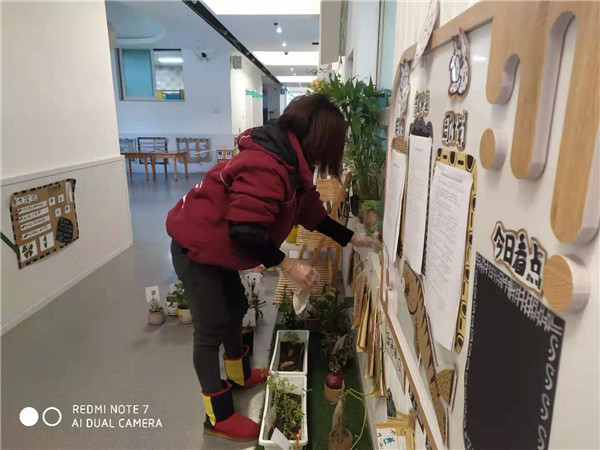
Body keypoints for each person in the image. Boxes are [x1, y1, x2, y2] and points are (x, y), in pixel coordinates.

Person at [166, 94, 379, 442]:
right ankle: (217, 417)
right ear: (320, 139)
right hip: (197, 246)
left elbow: (312, 213)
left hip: (218, 247)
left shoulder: (292, 162)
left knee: (235, 307)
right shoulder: (267, 165)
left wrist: (353, 238)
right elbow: (246, 230)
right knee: (209, 329)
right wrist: (288, 265)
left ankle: (238, 375)